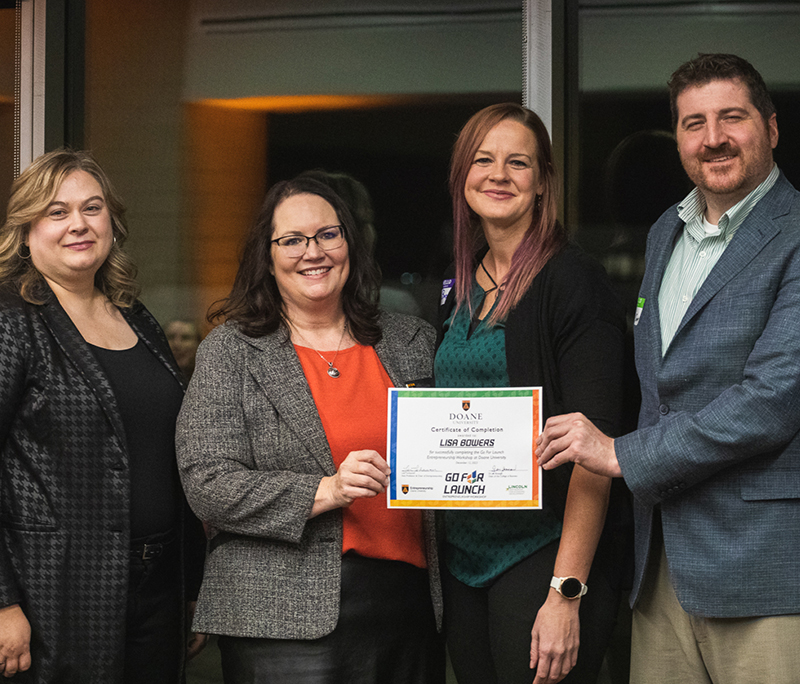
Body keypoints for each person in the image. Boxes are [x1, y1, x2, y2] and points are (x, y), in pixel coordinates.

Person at [537, 53, 800, 683]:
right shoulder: (665, 234)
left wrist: (623, 456)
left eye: (731, 118)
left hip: (762, 566)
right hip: (659, 571)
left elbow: (773, 397)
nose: (713, 138)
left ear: (770, 126)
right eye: (693, 123)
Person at [176, 175, 444, 683]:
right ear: (268, 255)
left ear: (351, 243)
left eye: (328, 235)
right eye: (292, 240)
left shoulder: (412, 340)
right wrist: (326, 490)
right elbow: (206, 482)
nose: (313, 252)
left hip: (406, 607)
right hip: (277, 618)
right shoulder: (230, 350)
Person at [435, 102, 628, 684]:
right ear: (461, 175)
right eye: (483, 160)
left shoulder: (572, 279)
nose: (499, 175)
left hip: (541, 555)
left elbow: (594, 449)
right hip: (463, 560)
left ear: (542, 182)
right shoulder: (461, 285)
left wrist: (566, 592)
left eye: (518, 163)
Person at [0, 149, 205, 682]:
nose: (78, 224)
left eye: (92, 208)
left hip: (159, 585)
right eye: (56, 211)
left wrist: (192, 583)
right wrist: (2, 604)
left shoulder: (138, 319)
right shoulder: (11, 322)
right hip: (53, 595)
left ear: (111, 222)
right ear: (26, 232)